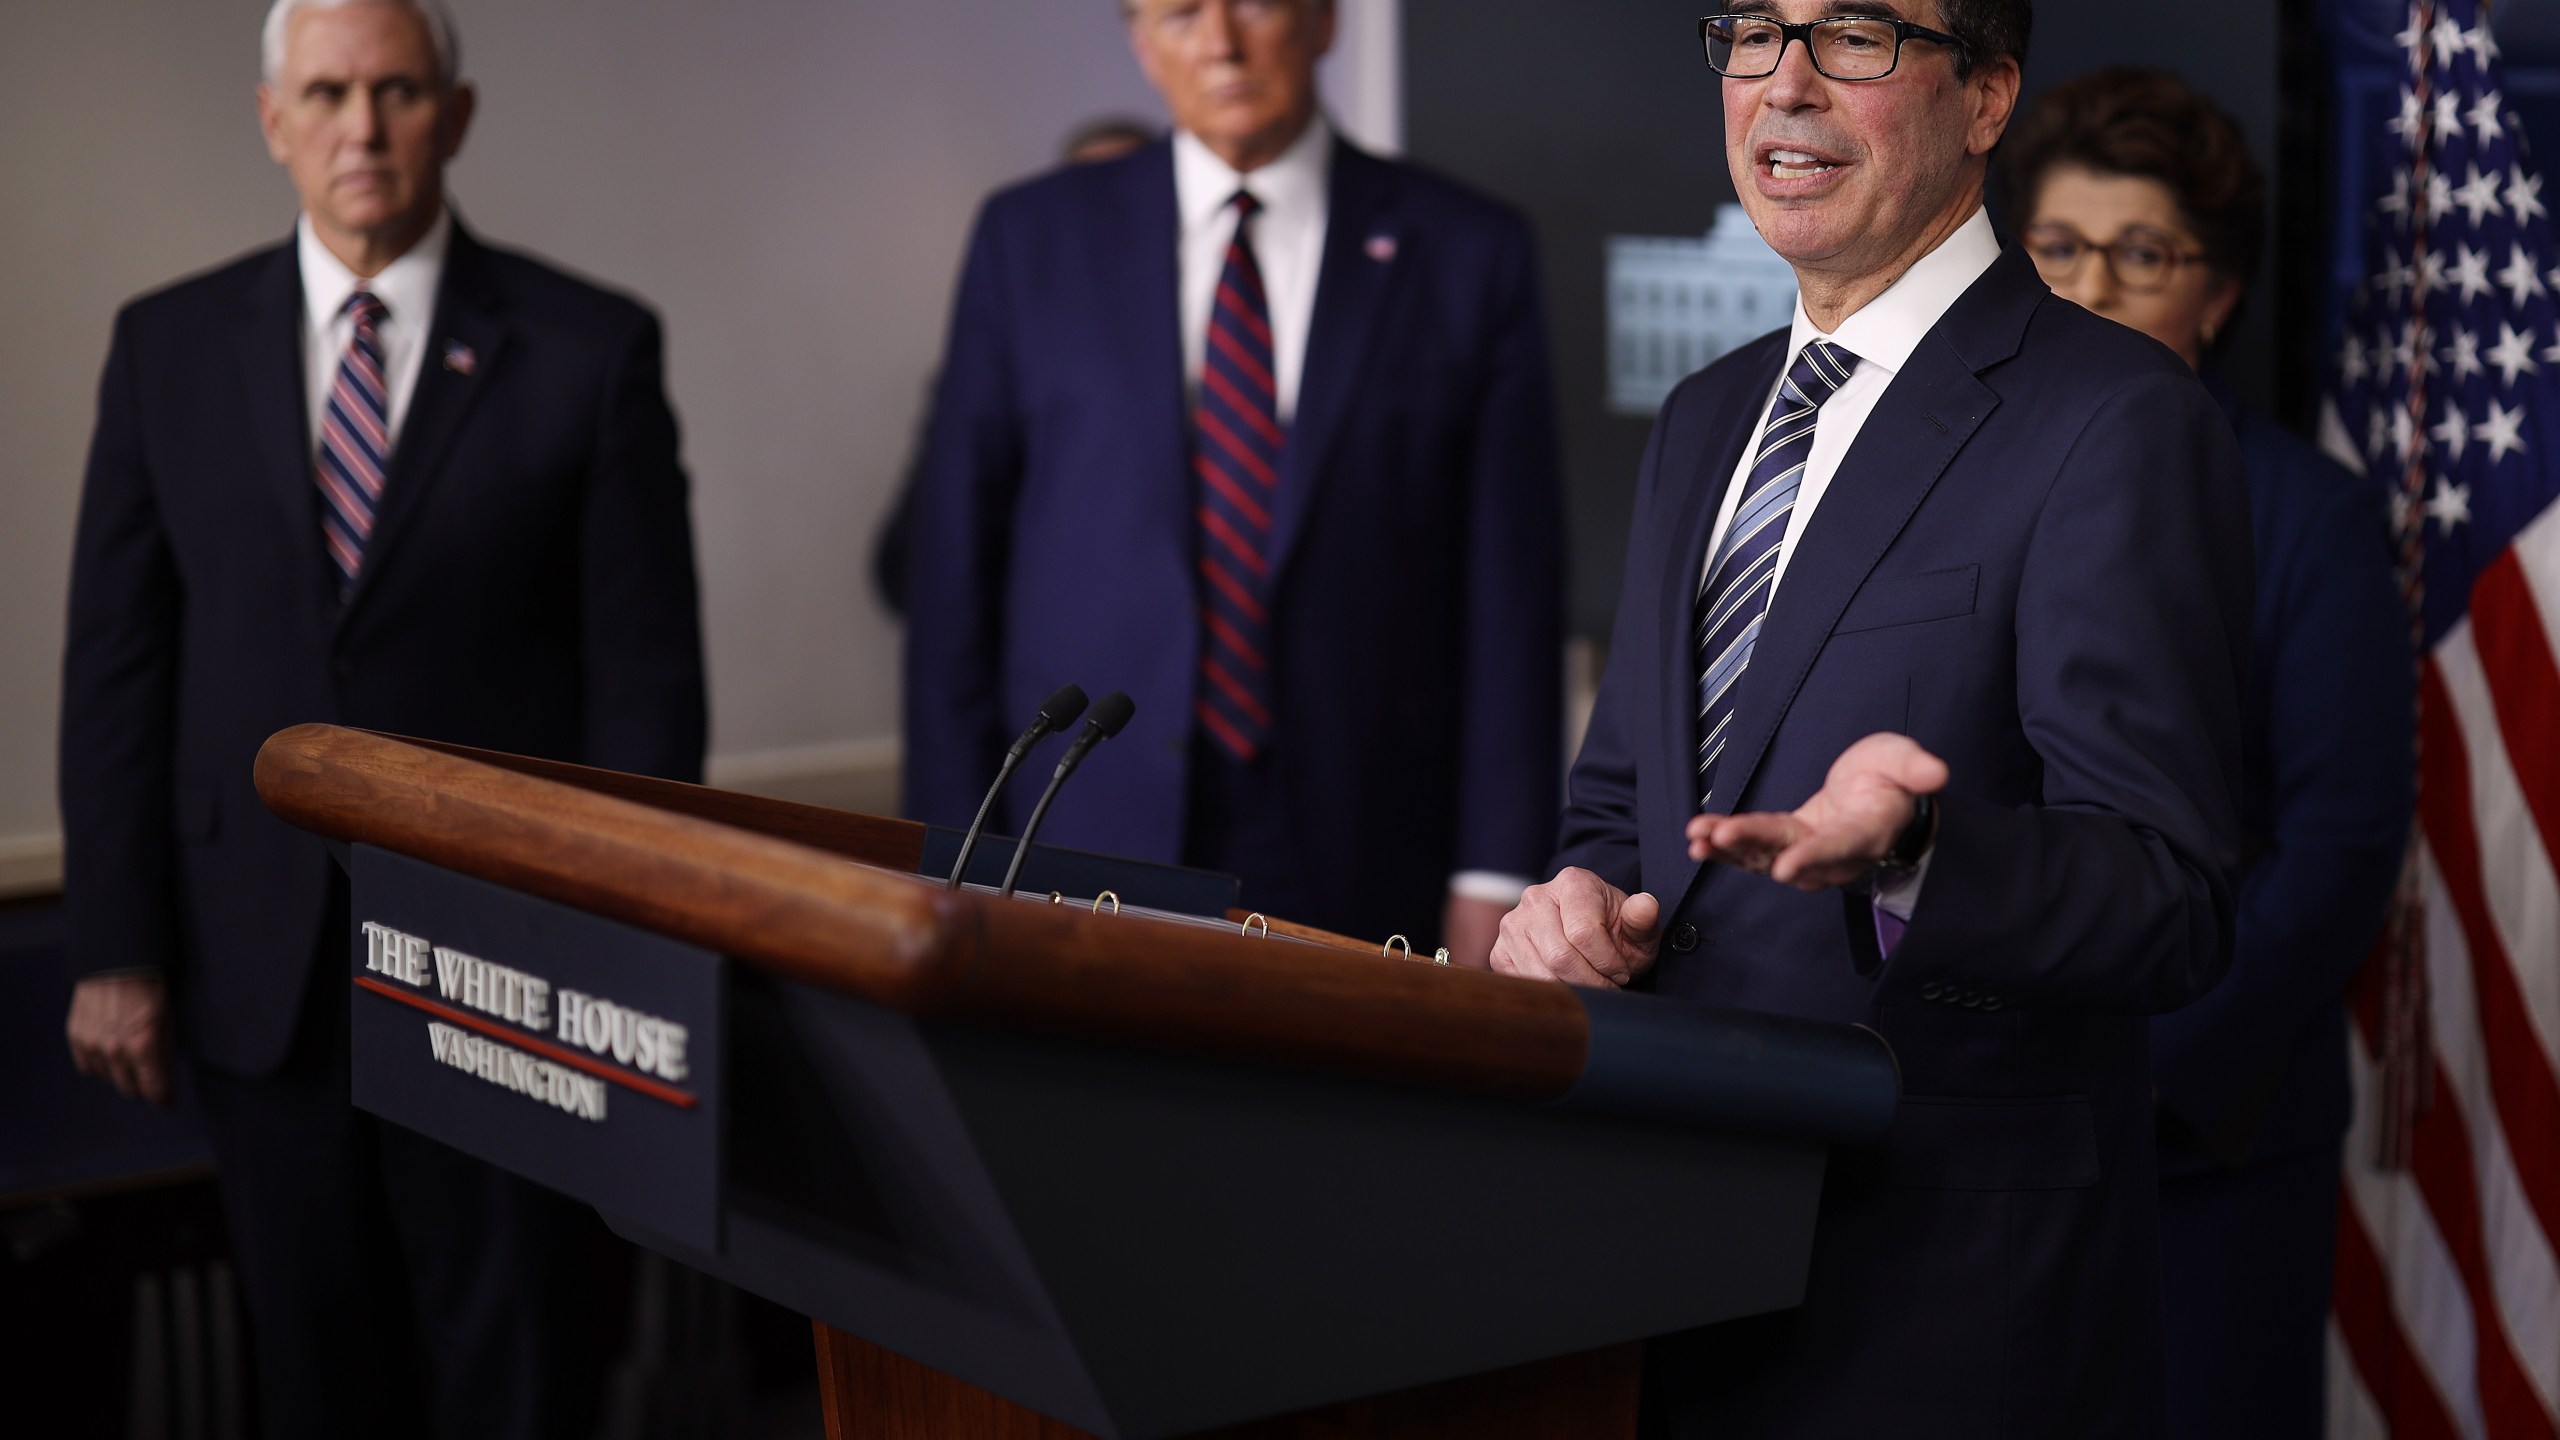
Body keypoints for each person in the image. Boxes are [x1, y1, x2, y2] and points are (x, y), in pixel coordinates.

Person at [1489, 4, 2254, 1433]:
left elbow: (2172, 893)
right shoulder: (1705, 419)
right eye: (1754, 32)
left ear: (1986, 97)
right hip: (1657, 1268)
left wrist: (1915, 851)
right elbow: (1621, 805)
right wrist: (1577, 900)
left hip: (1941, 1301)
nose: (1784, 83)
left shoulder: (2115, 419)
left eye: (1852, 35)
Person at [58, 1, 707, 1435]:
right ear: (274, 118)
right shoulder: (164, 347)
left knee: (518, 1372)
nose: (365, 126)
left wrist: (629, 965)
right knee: (314, 1380)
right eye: (332, 92)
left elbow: (647, 692)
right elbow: (118, 664)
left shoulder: (589, 351)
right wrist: (116, 945)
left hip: (510, 977)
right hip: (253, 968)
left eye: (400, 90)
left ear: (455, 118)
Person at [903, 0, 1563, 961]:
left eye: (1251, 3)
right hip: (1078, 824)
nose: (1220, 42)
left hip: (1366, 832)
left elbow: (1510, 587)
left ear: (1324, 19)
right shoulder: (1030, 239)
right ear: (1140, 42)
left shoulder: (1467, 249)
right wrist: (947, 849)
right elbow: (954, 573)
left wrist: (1494, 872)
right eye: (1179, 13)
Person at [1998, 67, 2412, 1439]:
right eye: (2059, 249)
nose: (2096, 287)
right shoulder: (1961, 488)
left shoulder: (2311, 520)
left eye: (2145, 254)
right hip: (1973, 1139)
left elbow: (2341, 847)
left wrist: (2152, 1065)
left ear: (2217, 294)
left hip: (2209, 1146)